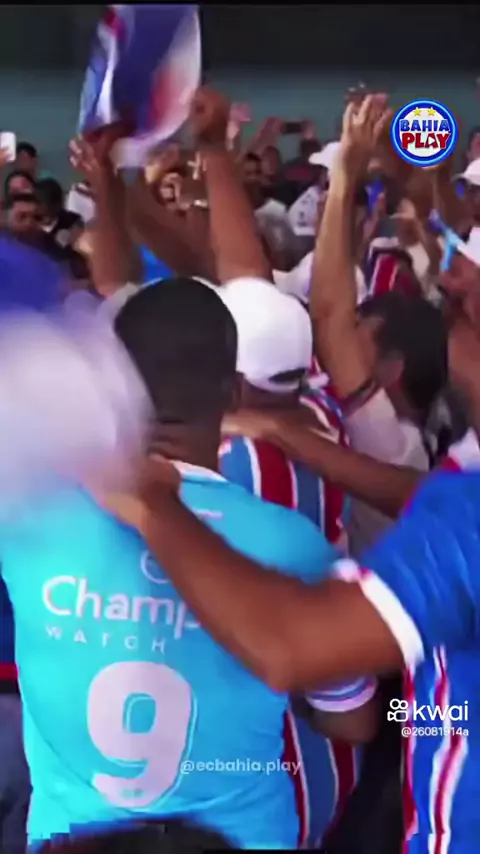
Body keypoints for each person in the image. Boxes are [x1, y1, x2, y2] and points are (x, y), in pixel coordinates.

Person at [0, 277, 364, 850]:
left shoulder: (29, 514)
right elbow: (352, 720)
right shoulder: (296, 543)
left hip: (68, 841)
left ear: (112, 389)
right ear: (234, 393)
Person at [36, 178, 83, 249]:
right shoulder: (27, 224)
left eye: (40, 202)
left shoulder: (73, 223)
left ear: (57, 205)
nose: (36, 207)